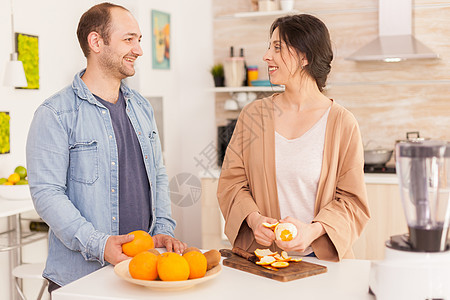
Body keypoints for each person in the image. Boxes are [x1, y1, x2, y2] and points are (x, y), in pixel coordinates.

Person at [26, 2, 186, 293]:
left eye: (139, 40)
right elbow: (47, 194)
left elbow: (158, 175)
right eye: (129, 39)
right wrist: (100, 245)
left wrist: (163, 229)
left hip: (142, 271)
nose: (138, 50)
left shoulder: (142, 107)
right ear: (96, 42)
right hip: (81, 279)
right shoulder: (55, 113)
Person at [217, 14, 370, 261]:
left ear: (305, 56)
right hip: (262, 261)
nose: (267, 56)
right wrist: (254, 220)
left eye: (277, 48)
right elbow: (231, 183)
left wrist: (312, 231)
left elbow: (351, 202)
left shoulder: (342, 123)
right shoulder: (253, 115)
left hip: (321, 264)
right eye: (269, 47)